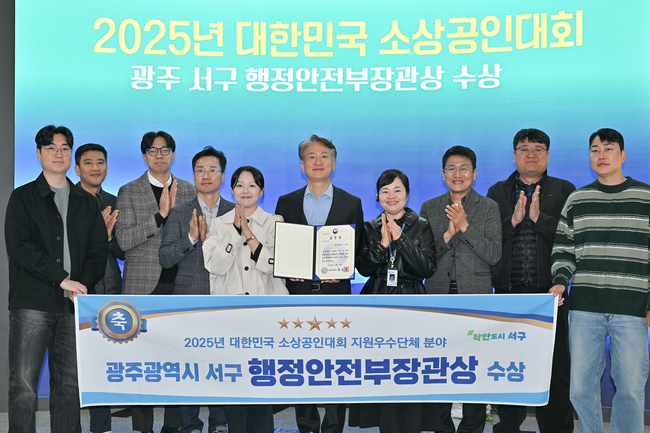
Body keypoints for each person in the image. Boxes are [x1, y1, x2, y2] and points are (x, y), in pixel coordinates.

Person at [5, 125, 107, 433]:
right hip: (32, 303)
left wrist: (82, 285)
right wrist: (62, 279)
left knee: (69, 384)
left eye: (64, 148)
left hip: (74, 306)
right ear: (39, 154)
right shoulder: (23, 197)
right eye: (51, 148)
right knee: (24, 385)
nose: (58, 153)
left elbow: (98, 251)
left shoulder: (86, 201)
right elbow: (20, 248)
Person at [550, 128, 650, 433]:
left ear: (622, 155)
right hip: (585, 309)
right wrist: (560, 280)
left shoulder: (646, 197)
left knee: (630, 389)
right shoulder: (577, 199)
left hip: (631, 307)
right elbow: (564, 249)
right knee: (580, 388)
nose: (601, 155)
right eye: (595, 150)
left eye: (608, 149)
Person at [487, 129, 575, 433]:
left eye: (538, 149)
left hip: (550, 294)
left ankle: (556, 428)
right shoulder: (497, 192)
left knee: (555, 367)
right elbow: (489, 240)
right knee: (507, 364)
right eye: (524, 149)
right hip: (508, 293)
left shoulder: (565, 190)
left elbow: (572, 238)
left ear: (547, 156)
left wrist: (540, 219)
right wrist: (512, 221)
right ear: (514, 156)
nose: (531, 154)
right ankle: (508, 426)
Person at [274, 134, 364, 433]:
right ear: (302, 166)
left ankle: (334, 425)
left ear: (333, 163)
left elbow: (357, 250)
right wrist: (287, 270)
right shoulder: (286, 202)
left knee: (336, 361)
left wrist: (345, 268)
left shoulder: (352, 203)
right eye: (311, 156)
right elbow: (281, 247)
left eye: (324, 156)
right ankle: (306, 424)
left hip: (336, 293)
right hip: (297, 293)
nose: (318, 161)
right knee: (301, 361)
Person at [115, 131, 195, 433]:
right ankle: (143, 427)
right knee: (142, 361)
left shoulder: (189, 189)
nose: (159, 155)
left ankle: (173, 426)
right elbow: (123, 240)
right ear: (144, 155)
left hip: (181, 283)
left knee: (177, 358)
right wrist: (159, 216)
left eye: (164, 150)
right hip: (143, 284)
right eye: (152, 150)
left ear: (173, 154)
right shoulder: (129, 190)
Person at [348, 169, 439, 433]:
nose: (391, 196)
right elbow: (363, 267)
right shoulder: (369, 227)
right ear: (377, 196)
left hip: (412, 301)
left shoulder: (421, 225)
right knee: (382, 368)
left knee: (410, 367)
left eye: (397, 190)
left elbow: (427, 268)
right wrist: (382, 245)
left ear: (407, 194)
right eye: (385, 191)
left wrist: (401, 240)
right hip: (376, 300)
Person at [420, 145, 501, 433]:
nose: (458, 174)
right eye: (451, 169)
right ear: (443, 174)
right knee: (439, 365)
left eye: (464, 168)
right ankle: (441, 427)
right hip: (438, 296)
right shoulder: (429, 207)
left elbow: (494, 254)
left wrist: (465, 227)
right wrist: (447, 235)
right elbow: (424, 259)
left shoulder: (489, 207)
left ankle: (472, 427)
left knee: (474, 366)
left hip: (475, 298)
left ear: (474, 173)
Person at [203, 166, 287, 432]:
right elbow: (214, 266)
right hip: (230, 314)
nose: (246, 190)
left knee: (261, 377)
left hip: (266, 312)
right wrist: (234, 231)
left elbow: (276, 265)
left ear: (262, 191)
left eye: (252, 185)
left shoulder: (275, 222)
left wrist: (249, 233)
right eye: (240, 185)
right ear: (232, 190)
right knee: (236, 379)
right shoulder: (219, 224)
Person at [159, 146, 234, 433]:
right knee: (187, 362)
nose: (206, 175)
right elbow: (165, 258)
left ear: (222, 176)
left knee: (222, 363)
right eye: (200, 170)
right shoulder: (179, 213)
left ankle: (220, 421)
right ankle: (190, 423)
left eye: (212, 170)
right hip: (188, 297)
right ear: (193, 175)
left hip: (225, 297)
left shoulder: (235, 212)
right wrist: (191, 239)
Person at [74, 143, 125, 433]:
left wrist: (107, 239)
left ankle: (101, 426)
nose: (95, 167)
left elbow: (123, 250)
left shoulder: (115, 201)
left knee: (106, 360)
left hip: (111, 288)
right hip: (80, 290)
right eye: (88, 162)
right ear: (77, 168)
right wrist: (97, 238)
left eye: (101, 162)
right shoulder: (68, 200)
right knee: (77, 363)